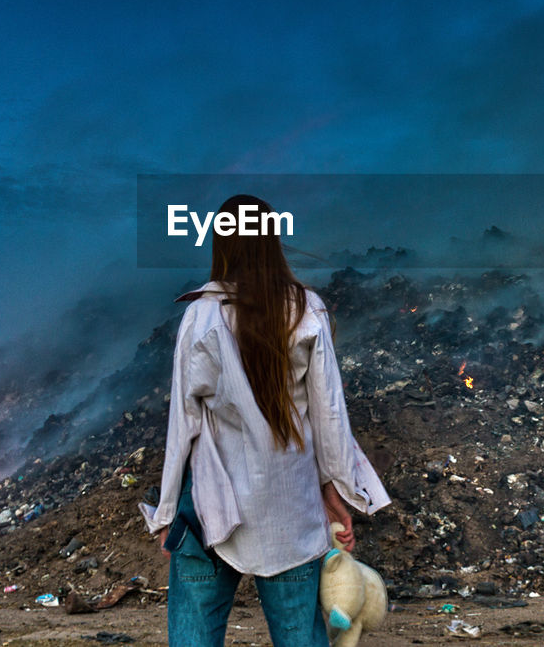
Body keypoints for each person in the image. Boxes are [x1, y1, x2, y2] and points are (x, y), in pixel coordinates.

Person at [140, 194, 390, 647]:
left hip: (211, 511)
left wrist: (167, 512)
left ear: (222, 245)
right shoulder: (306, 310)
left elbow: (183, 424)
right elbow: (329, 414)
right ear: (272, 242)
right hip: (289, 507)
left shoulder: (200, 316)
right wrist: (335, 492)